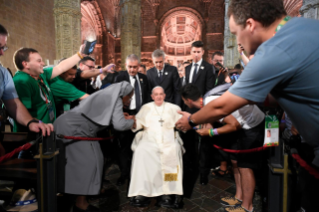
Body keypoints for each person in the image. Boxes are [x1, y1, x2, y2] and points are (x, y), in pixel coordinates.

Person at [176, 0, 319, 211]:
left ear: (250, 25)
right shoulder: (306, 27)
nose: (236, 40)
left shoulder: (274, 49)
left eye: (235, 32)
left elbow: (221, 108)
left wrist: (191, 120)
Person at [181, 82, 265, 212]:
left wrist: (210, 132)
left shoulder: (210, 103)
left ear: (188, 100)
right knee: (235, 162)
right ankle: (239, 197)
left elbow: (233, 125)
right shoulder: (207, 99)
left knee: (245, 166)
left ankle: (247, 207)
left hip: (252, 126)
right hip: (244, 126)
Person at [54, 81, 135, 212]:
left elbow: (103, 116)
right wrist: (133, 121)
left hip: (69, 126)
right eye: (129, 97)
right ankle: (80, 203)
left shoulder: (107, 94)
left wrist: (121, 117)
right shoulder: (117, 100)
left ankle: (75, 196)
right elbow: (120, 125)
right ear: (123, 94)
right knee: (91, 161)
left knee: (81, 162)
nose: (129, 100)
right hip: (73, 130)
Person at [129, 86, 184, 209]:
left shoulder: (174, 108)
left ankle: (168, 191)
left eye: (161, 94)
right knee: (141, 151)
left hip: (169, 137)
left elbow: (182, 124)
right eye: (156, 94)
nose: (158, 96)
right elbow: (137, 124)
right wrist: (130, 119)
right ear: (152, 96)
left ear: (164, 95)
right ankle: (141, 191)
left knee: (172, 151)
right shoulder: (145, 108)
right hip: (149, 138)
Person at [0, 24, 53, 145]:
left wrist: (30, 122)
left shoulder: (3, 73)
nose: (2, 53)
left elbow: (14, 103)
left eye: (4, 48)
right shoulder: (22, 81)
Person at [113, 54, 150, 186]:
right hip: (124, 115)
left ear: (139, 66)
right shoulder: (119, 78)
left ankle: (138, 174)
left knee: (140, 147)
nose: (132, 70)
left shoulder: (144, 79)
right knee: (124, 147)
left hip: (140, 116)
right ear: (126, 65)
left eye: (135, 67)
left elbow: (147, 98)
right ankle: (124, 175)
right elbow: (114, 98)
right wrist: (121, 113)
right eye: (130, 67)